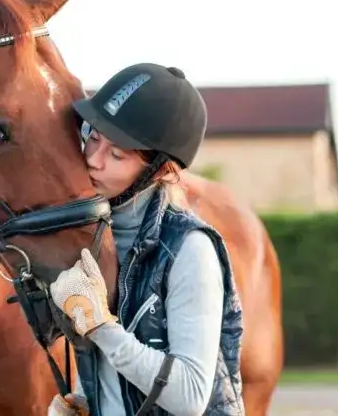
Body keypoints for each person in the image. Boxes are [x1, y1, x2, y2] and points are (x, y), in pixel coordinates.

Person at [47, 63, 244, 416]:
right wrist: (87, 399)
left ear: (161, 171)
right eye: (93, 138)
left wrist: (101, 326)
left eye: (117, 154)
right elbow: (110, 361)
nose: (93, 160)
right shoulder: (93, 235)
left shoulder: (190, 249)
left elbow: (190, 397)